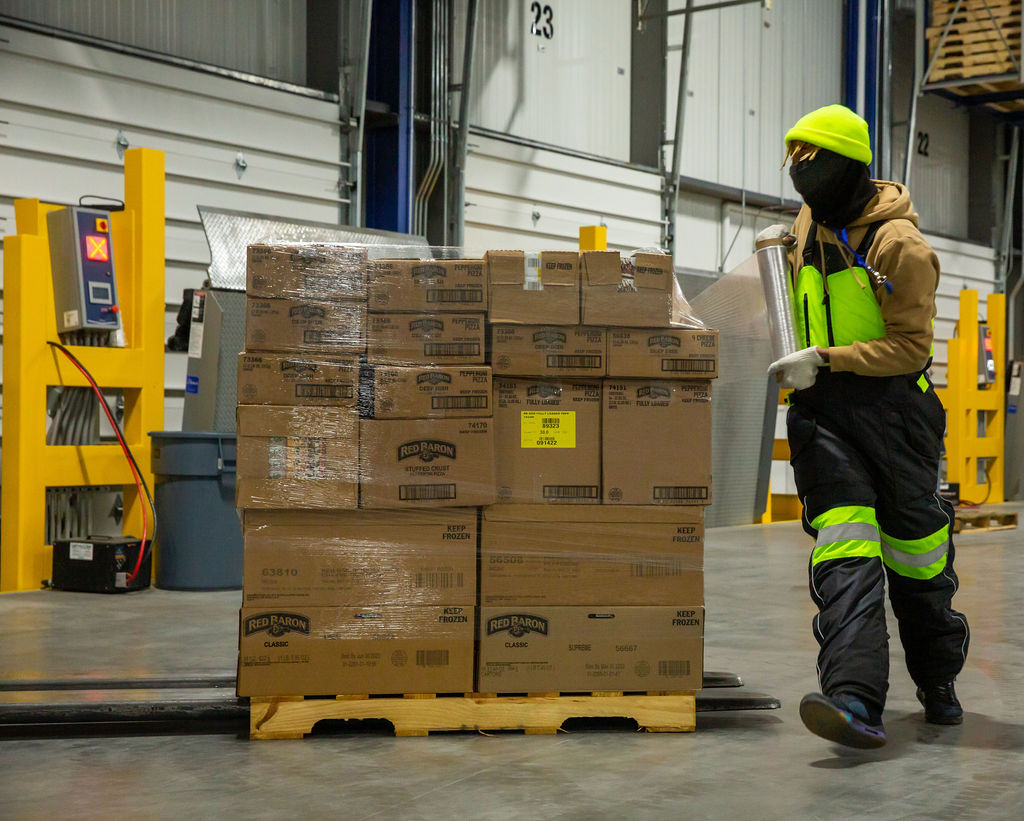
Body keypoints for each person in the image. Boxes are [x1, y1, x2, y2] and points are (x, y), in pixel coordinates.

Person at [758, 104, 969, 749]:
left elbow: (911, 348)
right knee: (845, 553)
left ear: (845, 164)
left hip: (896, 417)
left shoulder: (899, 248)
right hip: (823, 417)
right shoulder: (805, 225)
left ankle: (937, 682)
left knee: (917, 564)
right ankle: (853, 700)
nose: (798, 172)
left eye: (808, 158)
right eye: (791, 159)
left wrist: (826, 358)